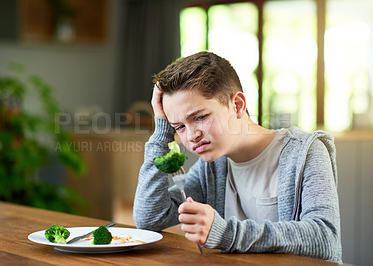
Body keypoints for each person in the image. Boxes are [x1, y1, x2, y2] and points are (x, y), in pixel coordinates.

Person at [133, 51, 342, 262]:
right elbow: (150, 219)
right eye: (179, 127)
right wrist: (162, 131)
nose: (191, 136)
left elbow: (325, 238)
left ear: (238, 105)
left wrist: (225, 233)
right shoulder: (213, 168)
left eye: (200, 117)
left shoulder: (305, 152)